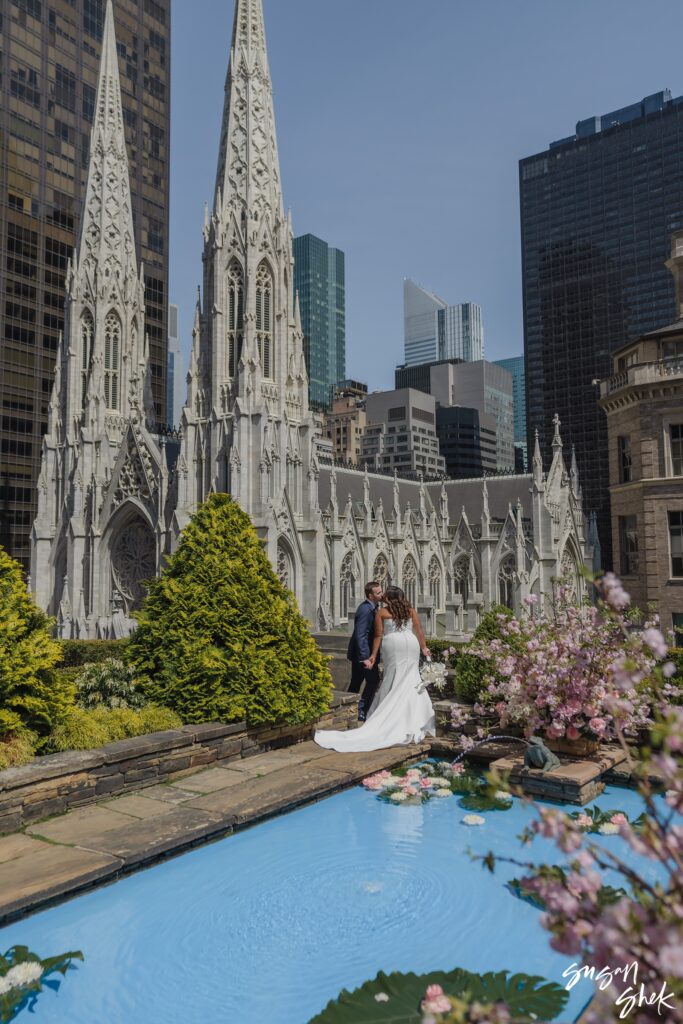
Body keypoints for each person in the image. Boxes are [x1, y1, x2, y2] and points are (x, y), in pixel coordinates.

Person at [315, 585, 436, 753]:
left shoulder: (382, 613)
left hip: (393, 644)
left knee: (393, 678)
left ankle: (390, 713)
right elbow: (419, 630)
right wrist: (424, 648)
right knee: (411, 677)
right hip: (411, 643)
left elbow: (378, 636)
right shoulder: (410, 610)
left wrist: (372, 655)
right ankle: (413, 716)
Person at [346, 581, 383, 721]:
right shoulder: (365, 609)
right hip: (363, 655)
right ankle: (361, 710)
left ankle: (350, 710)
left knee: (356, 682)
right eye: (378, 593)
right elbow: (360, 635)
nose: (382, 594)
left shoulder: (372, 607)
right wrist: (365, 658)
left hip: (360, 654)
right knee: (373, 681)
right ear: (370, 595)